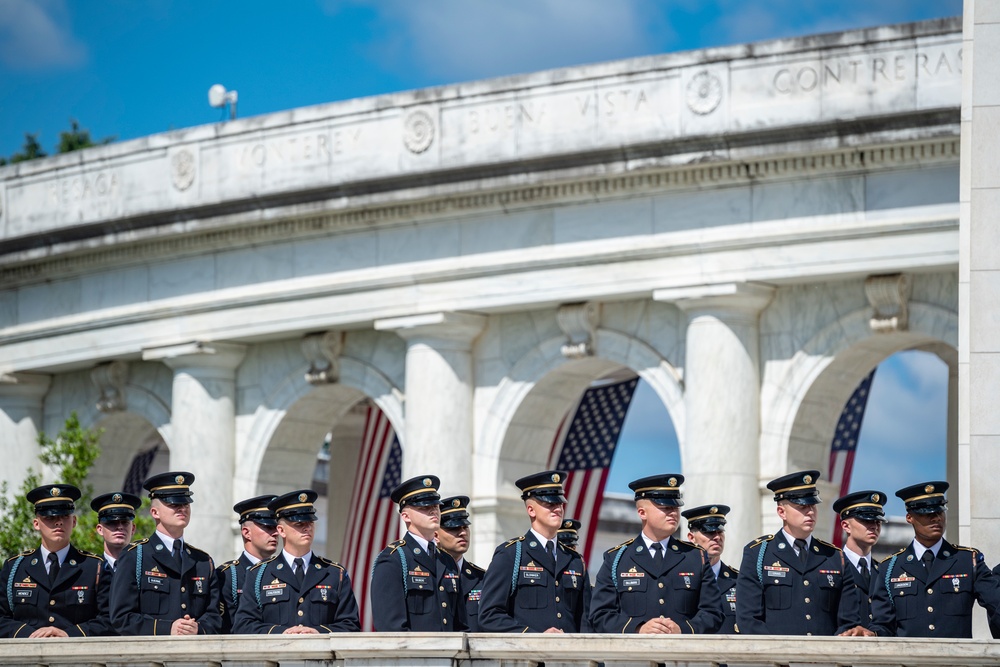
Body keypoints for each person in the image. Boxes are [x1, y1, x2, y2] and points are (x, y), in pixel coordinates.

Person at [735, 470, 869, 636]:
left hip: (824, 658)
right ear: (781, 512)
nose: (811, 512)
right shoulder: (758, 555)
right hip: (777, 659)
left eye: (813, 505)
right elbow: (748, 619)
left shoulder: (834, 557)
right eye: (802, 506)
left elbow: (848, 621)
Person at [590, 474, 723, 634]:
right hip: (636, 656)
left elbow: (713, 613)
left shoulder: (695, 557)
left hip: (682, 655)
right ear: (642, 513)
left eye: (675, 507)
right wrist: (638, 629)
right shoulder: (617, 559)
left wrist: (683, 630)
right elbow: (600, 615)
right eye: (665, 507)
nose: (673, 513)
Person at [870, 481, 1000, 637]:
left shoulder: (968, 560)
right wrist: (871, 634)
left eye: (939, 512)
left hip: (955, 659)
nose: (936, 518)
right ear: (909, 517)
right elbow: (883, 625)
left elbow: (996, 603)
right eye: (927, 513)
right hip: (910, 660)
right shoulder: (891, 568)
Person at [478, 470, 591, 633]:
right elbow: (489, 616)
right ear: (531, 510)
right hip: (527, 656)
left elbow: (585, 621)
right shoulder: (511, 554)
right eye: (550, 504)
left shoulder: (574, 560)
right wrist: (535, 637)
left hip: (568, 657)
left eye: (559, 503)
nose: (558, 509)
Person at [110, 471, 222, 635]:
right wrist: (166, 628)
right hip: (152, 657)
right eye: (174, 504)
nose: (182, 508)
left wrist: (198, 629)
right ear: (155, 512)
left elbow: (215, 617)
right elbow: (121, 617)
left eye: (186, 503)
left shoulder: (203, 561)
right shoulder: (135, 556)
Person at [233, 490, 359, 634]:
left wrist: (318, 632)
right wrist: (281, 633)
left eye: (310, 522)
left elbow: (350, 625)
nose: (307, 528)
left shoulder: (335, 573)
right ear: (281, 530)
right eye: (299, 524)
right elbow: (243, 625)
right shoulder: (258, 575)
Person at [0, 484, 113, 638]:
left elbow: (109, 620)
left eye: (64, 516)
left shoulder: (95, 567)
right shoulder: (15, 567)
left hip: (76, 658)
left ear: (74, 522)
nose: (58, 522)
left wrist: (69, 634)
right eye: (50, 517)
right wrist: (30, 634)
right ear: (36, 524)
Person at [370, 475, 467, 631]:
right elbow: (390, 628)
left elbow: (461, 626)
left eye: (435, 506)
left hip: (450, 654)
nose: (433, 511)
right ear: (405, 516)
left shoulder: (447, 561)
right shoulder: (393, 559)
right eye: (424, 507)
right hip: (414, 654)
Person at [216, 494, 279, 633]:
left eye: (276, 527)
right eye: (268, 527)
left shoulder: (283, 572)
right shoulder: (227, 576)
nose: (275, 533)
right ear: (246, 533)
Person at [831, 490, 886, 628]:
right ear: (845, 526)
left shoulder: (884, 571)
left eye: (877, 521)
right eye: (866, 520)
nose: (874, 526)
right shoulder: (832, 567)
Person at [683, 503, 739, 634]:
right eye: (709, 532)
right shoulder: (678, 578)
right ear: (691, 537)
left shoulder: (738, 580)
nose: (717, 537)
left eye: (720, 531)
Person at [436, 495, 486, 632]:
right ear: (436, 536)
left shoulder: (482, 577)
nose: (462, 533)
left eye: (465, 527)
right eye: (454, 528)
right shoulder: (431, 575)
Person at [91, 491, 141, 574]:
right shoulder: (90, 570)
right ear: (100, 529)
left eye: (125, 522)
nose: (120, 527)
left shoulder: (143, 569)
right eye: (112, 522)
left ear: (133, 529)